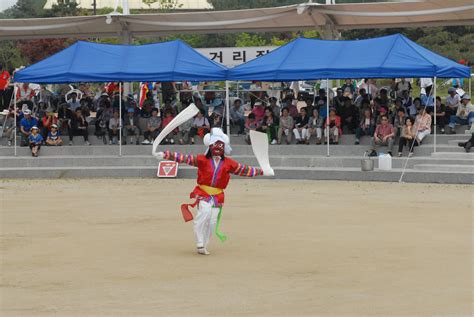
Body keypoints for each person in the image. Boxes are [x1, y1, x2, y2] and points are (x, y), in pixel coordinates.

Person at [155, 128, 270, 255]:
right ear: (210, 146)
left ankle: (204, 244)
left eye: (220, 145)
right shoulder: (202, 160)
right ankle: (199, 241)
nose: (217, 148)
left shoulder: (228, 163)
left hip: (218, 196)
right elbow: (184, 158)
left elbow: (244, 170)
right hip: (203, 193)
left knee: (212, 222)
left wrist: (262, 171)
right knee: (204, 213)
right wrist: (166, 155)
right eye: (215, 145)